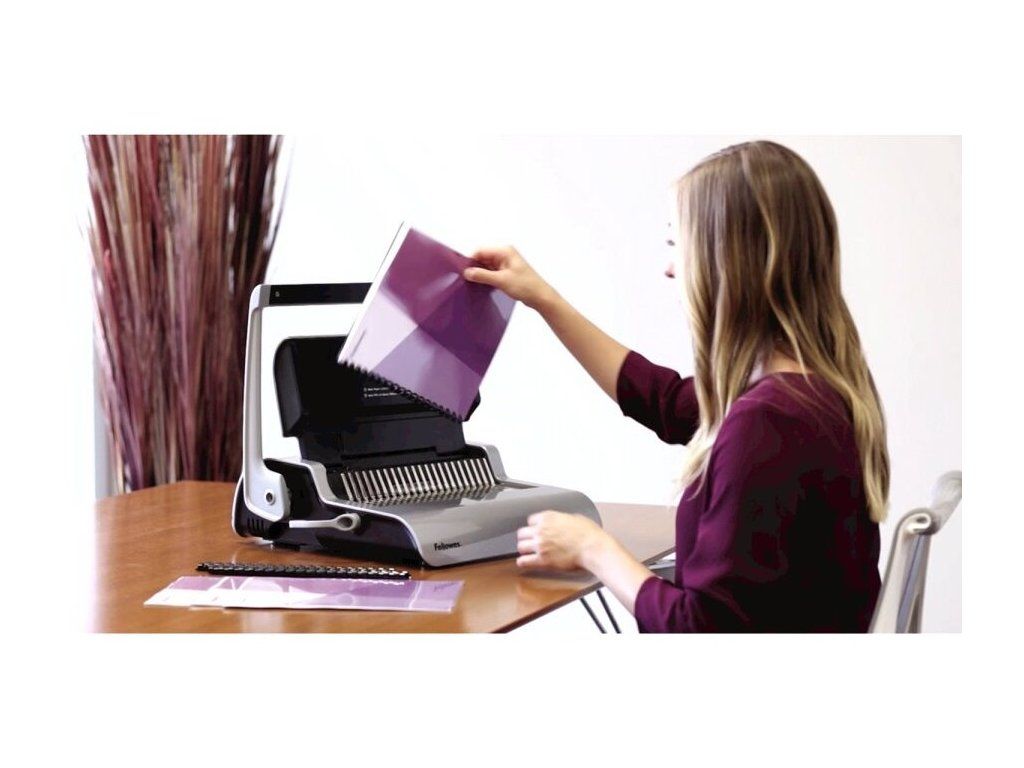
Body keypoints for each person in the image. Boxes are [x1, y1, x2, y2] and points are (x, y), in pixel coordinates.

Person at [463, 141, 888, 632]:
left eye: (676, 244)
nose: (670, 268)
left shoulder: (769, 421)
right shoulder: (812, 388)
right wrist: (545, 299)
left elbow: (699, 629)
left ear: (726, 259)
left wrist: (594, 548)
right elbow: (665, 403)